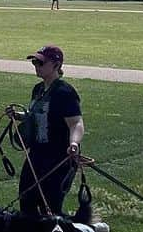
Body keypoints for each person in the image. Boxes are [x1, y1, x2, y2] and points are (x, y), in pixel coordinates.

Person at [8, 45, 85, 216]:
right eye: (35, 62)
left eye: (41, 62)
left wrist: (74, 143)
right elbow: (37, 115)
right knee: (26, 199)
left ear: (56, 65)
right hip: (36, 155)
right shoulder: (38, 89)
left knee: (49, 206)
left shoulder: (64, 92)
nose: (36, 65)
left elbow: (76, 123)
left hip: (58, 159)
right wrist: (18, 115)